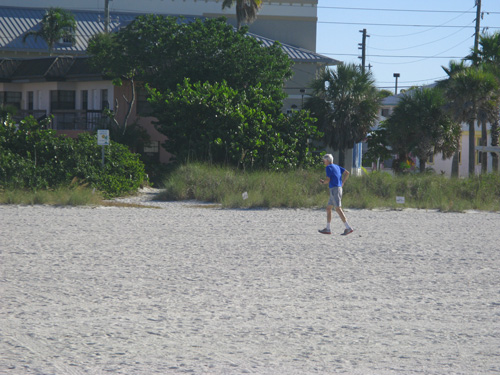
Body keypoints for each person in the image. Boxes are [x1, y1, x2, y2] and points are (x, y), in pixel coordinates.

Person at [318, 154, 354, 236]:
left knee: (338, 208)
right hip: (336, 189)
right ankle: (328, 228)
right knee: (328, 208)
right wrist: (342, 182)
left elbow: (328, 180)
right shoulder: (337, 166)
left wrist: (323, 182)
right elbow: (347, 173)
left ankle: (348, 227)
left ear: (327, 160)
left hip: (334, 189)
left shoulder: (328, 167)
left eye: (324, 160)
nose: (324, 162)